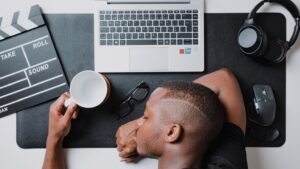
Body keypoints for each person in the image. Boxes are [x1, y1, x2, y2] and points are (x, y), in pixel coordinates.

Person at [42, 68, 248, 169]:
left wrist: (54, 137)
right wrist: (153, 136)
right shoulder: (226, 164)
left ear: (171, 132)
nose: (137, 124)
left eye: (146, 117)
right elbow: (224, 80)